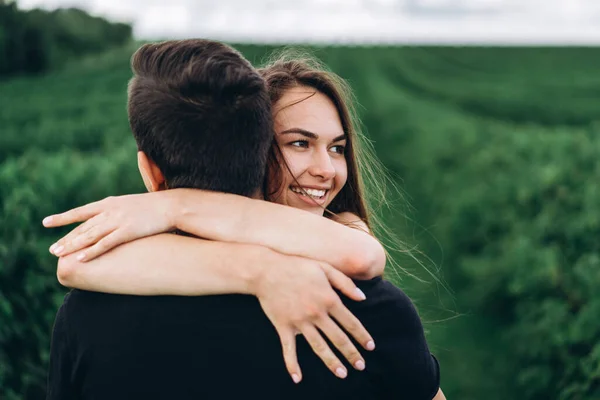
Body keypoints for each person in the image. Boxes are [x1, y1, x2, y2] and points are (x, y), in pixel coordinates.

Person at [45, 41, 445, 399]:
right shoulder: (369, 308)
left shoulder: (85, 317)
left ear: (149, 172)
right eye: (299, 143)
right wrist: (260, 269)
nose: (325, 168)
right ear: (259, 155)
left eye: (337, 148)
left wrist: (176, 205)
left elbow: (73, 263)